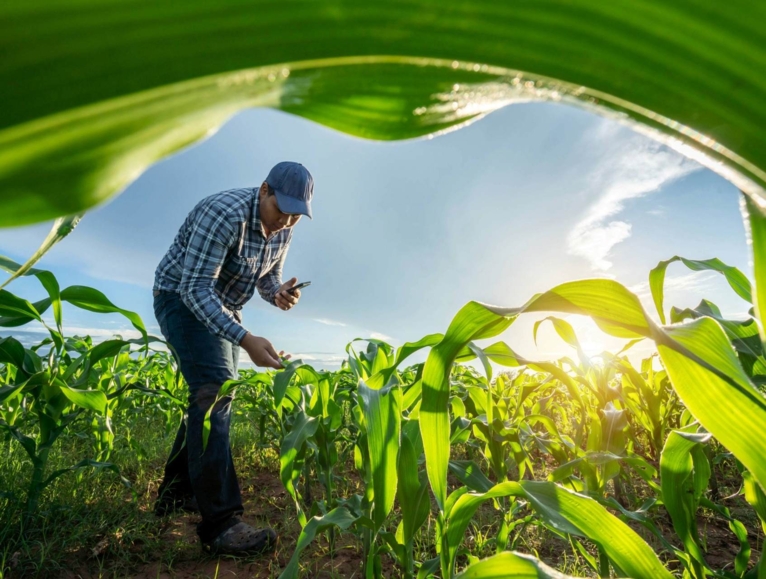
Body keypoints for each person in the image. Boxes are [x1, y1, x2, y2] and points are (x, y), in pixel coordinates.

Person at [151, 161, 313, 555]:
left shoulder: (284, 227)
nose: (286, 221)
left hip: (223, 307)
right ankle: (221, 525)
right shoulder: (222, 214)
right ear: (263, 190)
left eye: (296, 214)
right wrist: (246, 339)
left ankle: (175, 494)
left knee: (213, 396)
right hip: (180, 300)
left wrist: (278, 293)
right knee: (214, 395)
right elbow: (194, 289)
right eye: (282, 209)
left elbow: (266, 276)